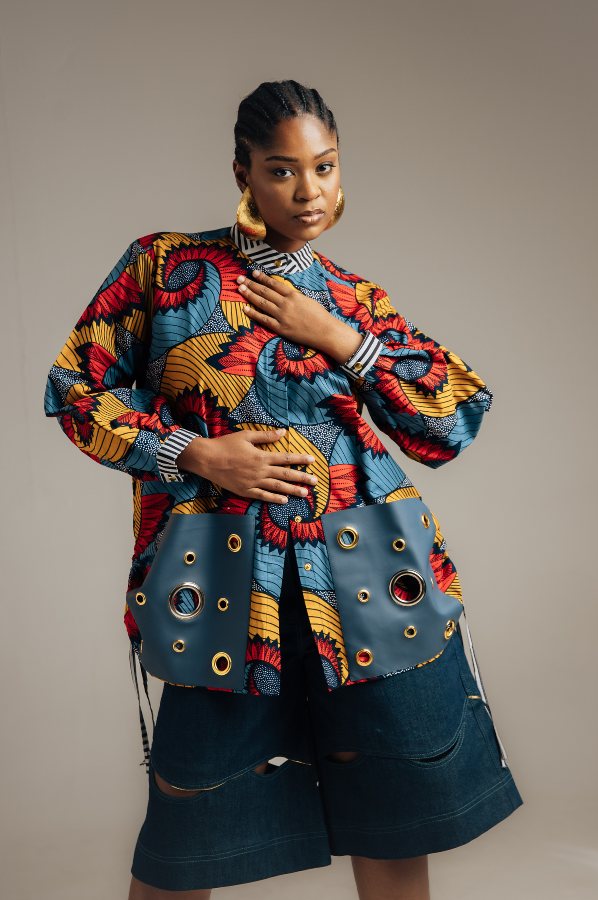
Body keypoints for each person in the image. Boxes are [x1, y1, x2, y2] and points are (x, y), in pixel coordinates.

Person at [44, 80, 522, 900]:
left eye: (325, 167)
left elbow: (454, 418)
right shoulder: (165, 266)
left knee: (394, 824)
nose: (309, 192)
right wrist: (198, 453)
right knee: (185, 835)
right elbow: (74, 390)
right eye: (283, 170)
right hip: (226, 578)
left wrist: (338, 337)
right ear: (243, 173)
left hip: (370, 575)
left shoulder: (351, 297)